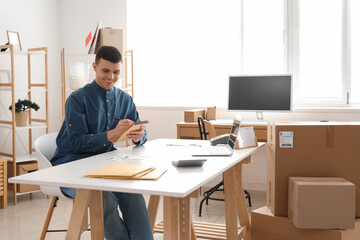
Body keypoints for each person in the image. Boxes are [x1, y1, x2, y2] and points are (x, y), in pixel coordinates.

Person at [51, 45, 153, 240]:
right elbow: (78, 143)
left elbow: (141, 131)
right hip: (71, 162)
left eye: (116, 72)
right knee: (104, 195)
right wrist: (112, 133)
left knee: (133, 192)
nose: (111, 77)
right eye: (105, 71)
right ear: (94, 67)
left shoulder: (124, 99)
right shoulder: (77, 99)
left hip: (103, 161)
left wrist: (139, 136)